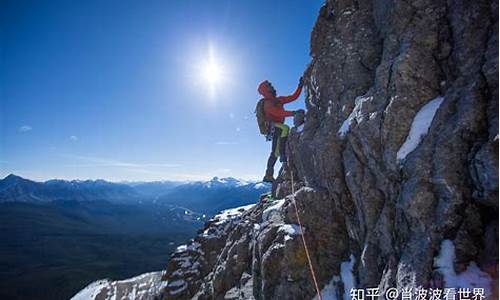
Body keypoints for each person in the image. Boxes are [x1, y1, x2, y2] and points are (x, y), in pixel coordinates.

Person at [257, 77, 304, 182]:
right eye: (269, 86)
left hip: (276, 128)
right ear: (266, 90)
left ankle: (268, 175)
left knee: (274, 152)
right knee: (285, 128)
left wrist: (300, 86)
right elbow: (277, 113)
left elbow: (293, 97)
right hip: (272, 128)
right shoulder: (267, 103)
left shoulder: (278, 100)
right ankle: (282, 155)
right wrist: (293, 113)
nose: (272, 87)